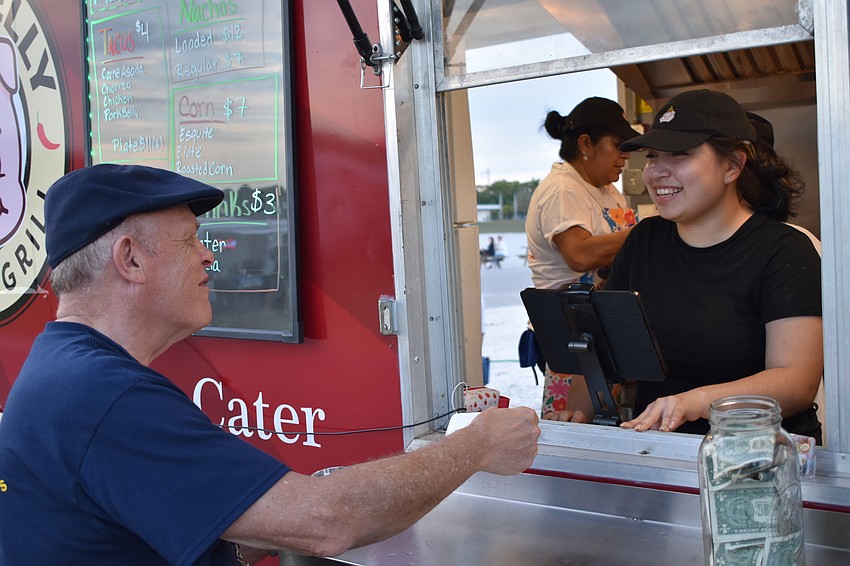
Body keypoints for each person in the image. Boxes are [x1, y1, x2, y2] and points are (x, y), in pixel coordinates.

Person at [0, 164, 541, 564]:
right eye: (191, 240)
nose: (209, 255)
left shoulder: (64, 369)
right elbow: (328, 521)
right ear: (131, 259)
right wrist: (477, 444)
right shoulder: (103, 396)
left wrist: (262, 519)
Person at [551, 89, 823, 441]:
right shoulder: (644, 241)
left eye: (679, 155)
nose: (656, 172)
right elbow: (599, 347)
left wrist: (696, 402)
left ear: (732, 166)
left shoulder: (784, 251)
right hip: (662, 448)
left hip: (761, 456)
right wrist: (577, 415)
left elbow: (796, 381)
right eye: (652, 156)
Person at [524, 97, 641, 419]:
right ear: (585, 143)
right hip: (572, 333)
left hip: (603, 329)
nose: (625, 156)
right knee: (571, 423)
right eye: (618, 145)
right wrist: (645, 233)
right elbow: (578, 254)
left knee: (605, 421)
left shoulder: (606, 189)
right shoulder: (564, 189)